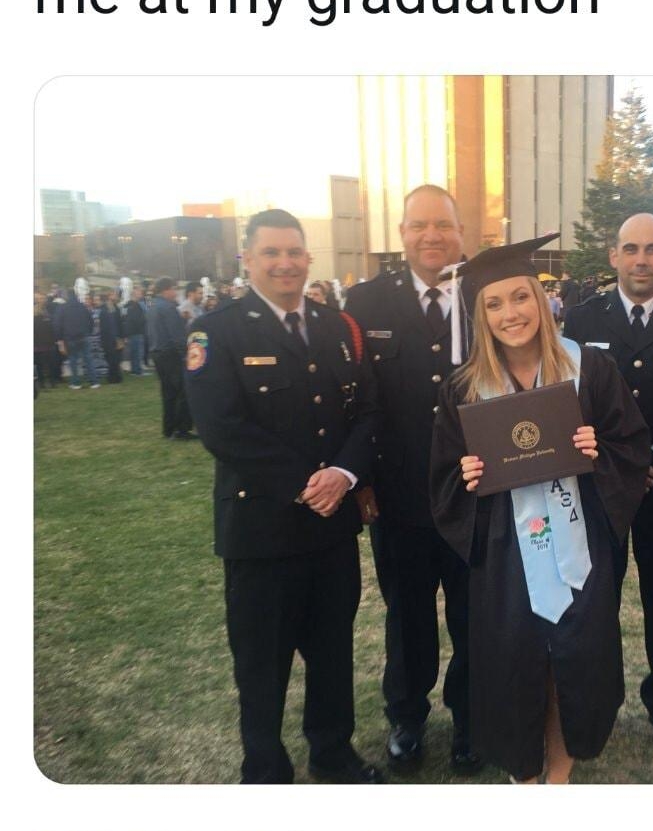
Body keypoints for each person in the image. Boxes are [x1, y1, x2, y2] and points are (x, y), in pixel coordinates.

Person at [430, 235, 651, 783]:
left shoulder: (589, 369)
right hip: (505, 554)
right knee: (517, 664)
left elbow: (632, 445)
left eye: (521, 297)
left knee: (573, 661)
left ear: (540, 298)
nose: (512, 314)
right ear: (481, 316)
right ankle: (523, 774)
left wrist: (600, 453)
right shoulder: (464, 388)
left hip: (581, 542)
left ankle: (559, 774)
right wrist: (469, 480)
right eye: (495, 304)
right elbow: (443, 478)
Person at [185, 209, 382, 785]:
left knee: (332, 655)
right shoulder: (215, 332)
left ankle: (333, 754)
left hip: (330, 531)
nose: (285, 263)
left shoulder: (336, 327)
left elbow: (367, 410)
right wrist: (309, 481)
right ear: (247, 259)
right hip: (262, 534)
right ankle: (266, 771)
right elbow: (222, 430)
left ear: (308, 259)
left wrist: (344, 472)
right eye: (271, 253)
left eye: (294, 252)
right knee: (261, 666)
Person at [342, 184, 479, 772]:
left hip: (476, 492)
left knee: (476, 615)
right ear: (400, 234)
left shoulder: (488, 294)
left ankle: (473, 717)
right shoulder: (365, 301)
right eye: (419, 226)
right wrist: (361, 479)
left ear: (460, 232)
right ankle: (407, 716)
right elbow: (356, 403)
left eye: (443, 226)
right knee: (407, 616)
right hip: (398, 497)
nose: (431, 236)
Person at [564, 213, 653, 761]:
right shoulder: (580, 317)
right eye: (630, 249)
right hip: (600, 486)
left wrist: (649, 457)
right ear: (613, 257)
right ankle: (589, 707)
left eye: (652, 249)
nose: (641, 259)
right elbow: (567, 400)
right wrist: (621, 461)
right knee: (594, 601)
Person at [147, 277, 196, 439]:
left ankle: (168, 429)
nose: (176, 293)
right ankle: (181, 429)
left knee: (168, 392)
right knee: (182, 391)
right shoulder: (168, 308)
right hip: (171, 354)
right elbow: (176, 336)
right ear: (166, 290)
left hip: (158, 353)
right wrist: (185, 355)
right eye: (174, 289)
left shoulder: (154, 306)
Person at [53, 284, 99, 389]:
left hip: (70, 338)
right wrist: (89, 332)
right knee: (88, 359)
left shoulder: (62, 308)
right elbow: (91, 321)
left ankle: (76, 383)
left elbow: (57, 324)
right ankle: (94, 382)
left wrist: (59, 340)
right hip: (84, 336)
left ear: (66, 297)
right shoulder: (82, 307)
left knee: (73, 360)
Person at [98, 290, 125, 384]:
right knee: (112, 359)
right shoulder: (106, 309)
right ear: (109, 296)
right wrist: (117, 339)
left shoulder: (114, 308)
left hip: (114, 338)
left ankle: (115, 377)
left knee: (115, 359)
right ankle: (113, 378)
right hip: (110, 339)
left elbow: (119, 324)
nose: (116, 296)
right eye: (114, 295)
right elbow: (111, 326)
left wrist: (121, 337)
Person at [122, 287, 148, 376]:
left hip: (131, 333)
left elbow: (126, 319)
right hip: (137, 332)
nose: (141, 294)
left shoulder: (127, 305)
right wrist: (144, 320)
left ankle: (134, 370)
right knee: (138, 353)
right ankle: (138, 371)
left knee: (133, 353)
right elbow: (137, 320)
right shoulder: (136, 306)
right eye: (139, 293)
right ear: (134, 294)